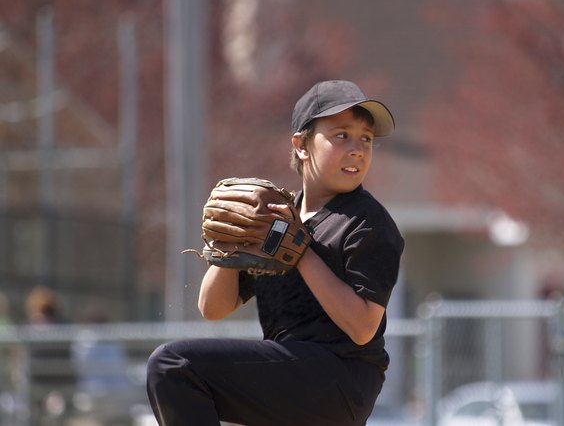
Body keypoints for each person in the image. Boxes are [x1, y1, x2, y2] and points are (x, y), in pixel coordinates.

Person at [147, 80, 405, 426]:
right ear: (301, 145)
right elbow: (212, 308)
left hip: (339, 379)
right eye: (341, 135)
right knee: (179, 372)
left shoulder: (367, 222)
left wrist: (303, 254)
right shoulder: (278, 219)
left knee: (175, 366)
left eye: (366, 139)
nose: (357, 148)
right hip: (289, 372)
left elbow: (362, 328)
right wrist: (233, 246)